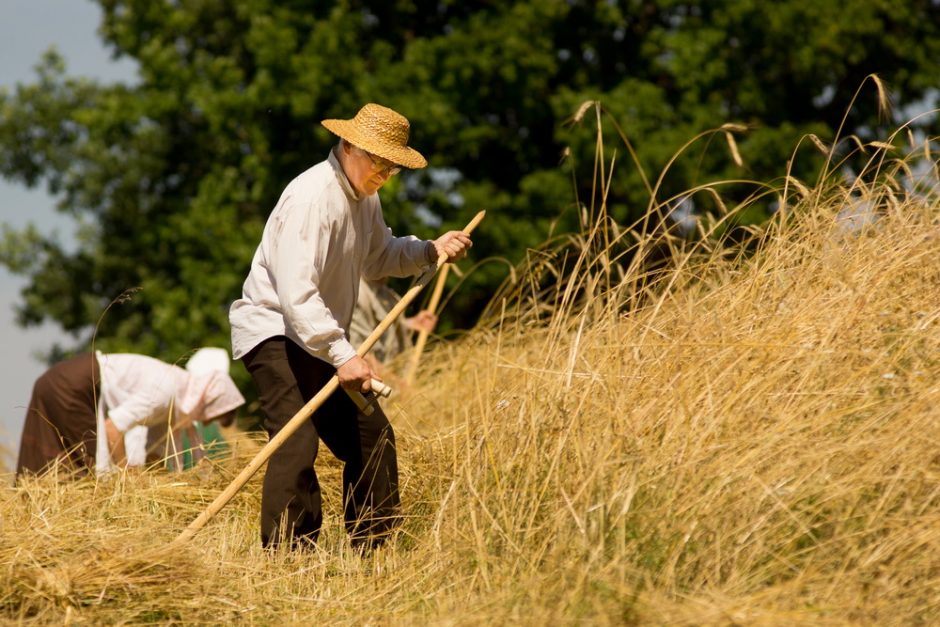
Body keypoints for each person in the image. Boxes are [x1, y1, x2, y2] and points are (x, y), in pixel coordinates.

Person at [229, 103, 471, 549]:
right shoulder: (312, 197)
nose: (384, 175)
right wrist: (344, 355)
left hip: (319, 339)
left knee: (372, 435)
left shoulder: (365, 198)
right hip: (276, 332)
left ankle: (374, 550)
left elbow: (378, 257)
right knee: (296, 440)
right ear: (349, 146)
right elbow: (296, 294)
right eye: (379, 163)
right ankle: (290, 561)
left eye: (393, 169)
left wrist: (429, 250)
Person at [15, 347, 245, 480]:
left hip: (68, 381)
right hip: (74, 387)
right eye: (211, 416)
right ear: (210, 402)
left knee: (61, 466)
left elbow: (155, 454)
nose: (204, 422)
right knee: (84, 475)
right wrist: (128, 475)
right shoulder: (166, 392)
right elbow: (112, 428)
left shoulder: (175, 398)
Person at [348, 277, 438, 379]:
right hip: (366, 390)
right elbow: (358, 356)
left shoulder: (384, 291)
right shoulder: (355, 292)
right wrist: (400, 386)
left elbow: (382, 331)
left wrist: (411, 324)